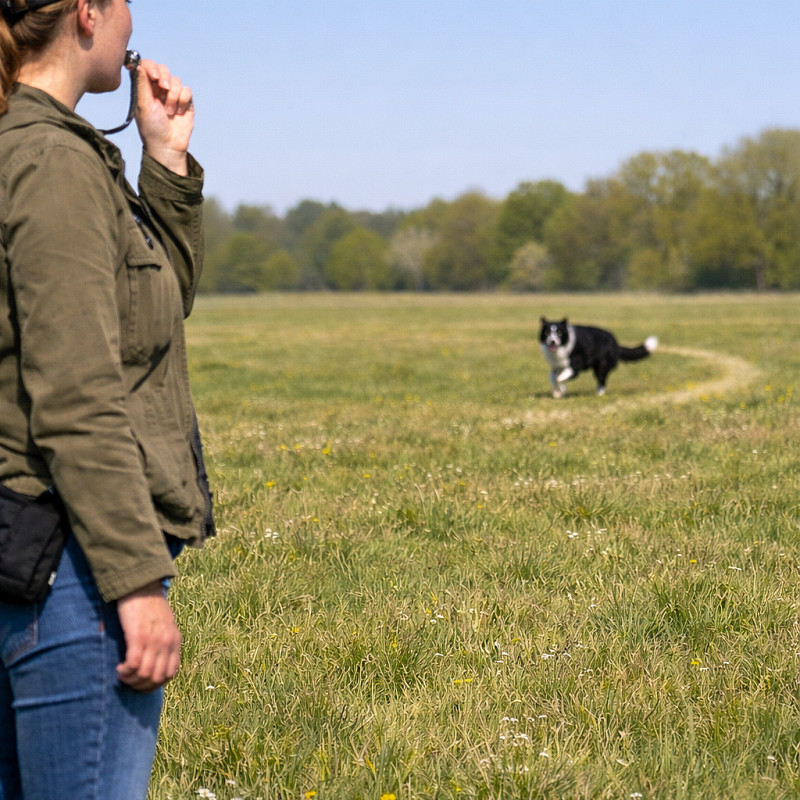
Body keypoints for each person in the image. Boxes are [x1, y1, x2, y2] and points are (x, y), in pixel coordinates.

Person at [0, 0, 215, 797]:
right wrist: (132, 584)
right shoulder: (51, 163)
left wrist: (164, 160)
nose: (134, 23)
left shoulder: (47, 151)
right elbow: (78, 394)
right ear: (86, 14)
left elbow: (147, 314)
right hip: (70, 573)